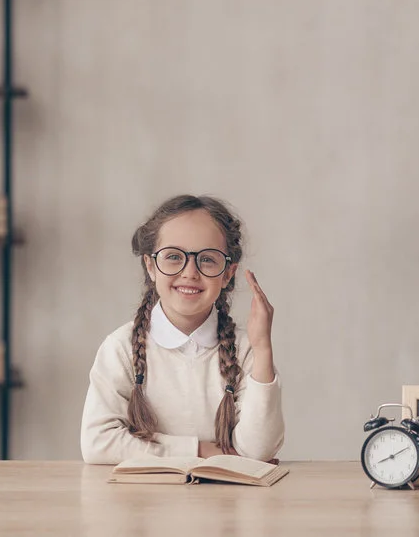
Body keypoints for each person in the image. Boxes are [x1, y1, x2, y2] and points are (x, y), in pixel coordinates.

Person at [80, 194, 284, 464]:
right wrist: (196, 450)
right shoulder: (120, 348)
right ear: (151, 266)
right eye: (174, 257)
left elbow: (258, 451)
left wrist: (263, 349)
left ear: (228, 273)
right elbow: (98, 442)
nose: (190, 272)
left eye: (208, 259)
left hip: (224, 504)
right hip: (141, 504)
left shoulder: (246, 350)